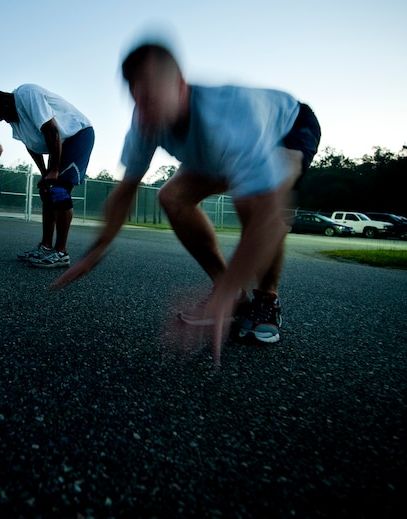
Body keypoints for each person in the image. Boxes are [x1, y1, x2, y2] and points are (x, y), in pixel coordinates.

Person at [52, 42, 321, 363]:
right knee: (172, 197)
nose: (144, 111)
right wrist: (95, 252)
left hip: (289, 126)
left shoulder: (229, 117)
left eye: (151, 98)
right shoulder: (145, 120)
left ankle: (267, 299)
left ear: (180, 84)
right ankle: (232, 293)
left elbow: (267, 211)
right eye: (136, 98)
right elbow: (126, 189)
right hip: (219, 150)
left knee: (260, 205)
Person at [0, 85, 95, 268]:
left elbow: (52, 130)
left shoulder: (27, 94)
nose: (5, 121)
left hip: (78, 135)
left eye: (3, 116)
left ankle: (61, 253)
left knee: (60, 189)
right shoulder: (14, 118)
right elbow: (31, 146)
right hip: (59, 143)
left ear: (7, 103)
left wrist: (55, 171)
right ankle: (45, 246)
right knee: (47, 190)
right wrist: (45, 173)